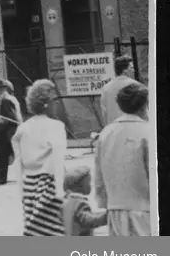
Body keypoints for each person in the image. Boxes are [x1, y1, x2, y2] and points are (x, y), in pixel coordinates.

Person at [93, 82, 151, 236]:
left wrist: (106, 204)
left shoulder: (105, 133)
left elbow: (98, 176)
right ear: (144, 105)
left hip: (115, 210)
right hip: (145, 211)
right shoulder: (147, 131)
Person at [11, 79, 67, 236]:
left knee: (34, 230)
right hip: (50, 185)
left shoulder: (22, 129)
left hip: (29, 188)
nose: (57, 104)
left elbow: (18, 164)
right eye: (54, 100)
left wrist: (22, 193)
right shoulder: (57, 127)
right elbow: (57, 161)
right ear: (46, 103)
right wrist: (61, 194)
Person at [0, 80, 22, 186]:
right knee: (13, 155)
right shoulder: (9, 99)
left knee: (1, 155)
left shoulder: (5, 100)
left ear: (0, 89)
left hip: (7, 131)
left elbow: (11, 119)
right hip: (11, 130)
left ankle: (0, 178)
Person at [62, 164, 108, 236]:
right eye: (89, 182)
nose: (91, 185)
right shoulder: (79, 203)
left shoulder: (65, 201)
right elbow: (89, 220)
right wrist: (108, 216)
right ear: (80, 185)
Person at [98, 55, 137, 127]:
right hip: (131, 130)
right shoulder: (135, 86)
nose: (133, 70)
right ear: (125, 70)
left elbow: (104, 113)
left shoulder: (105, 88)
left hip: (113, 130)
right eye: (131, 67)